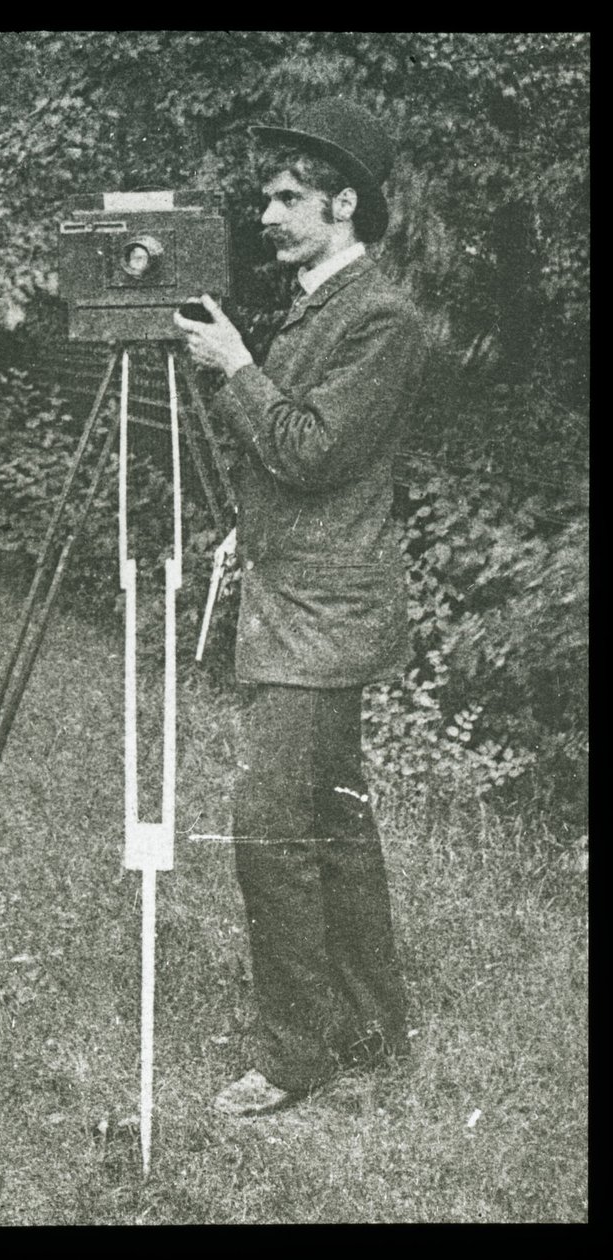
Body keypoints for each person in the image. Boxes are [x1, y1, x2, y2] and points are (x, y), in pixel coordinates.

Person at [174, 98, 428, 1117]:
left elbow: (311, 449)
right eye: (267, 198)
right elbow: (302, 461)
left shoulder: (380, 315)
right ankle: (373, 1028)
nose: (268, 215)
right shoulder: (322, 300)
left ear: (345, 202)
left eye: (288, 199)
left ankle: (295, 1057)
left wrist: (235, 366)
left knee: (270, 826)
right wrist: (252, 525)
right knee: (330, 825)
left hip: (320, 621)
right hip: (302, 596)